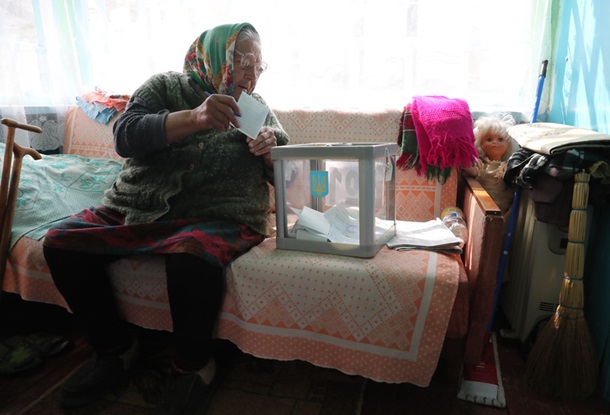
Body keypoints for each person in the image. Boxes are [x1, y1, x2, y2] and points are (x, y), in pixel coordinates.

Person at [42, 22, 289, 413]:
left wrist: (272, 153)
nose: (252, 75)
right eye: (243, 62)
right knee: (61, 244)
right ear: (214, 56)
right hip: (140, 204)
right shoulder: (165, 87)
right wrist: (194, 117)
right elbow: (125, 137)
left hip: (218, 213)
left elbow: (287, 174)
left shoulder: (257, 107)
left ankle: (194, 365)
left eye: (259, 66)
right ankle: (115, 349)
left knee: (191, 253)